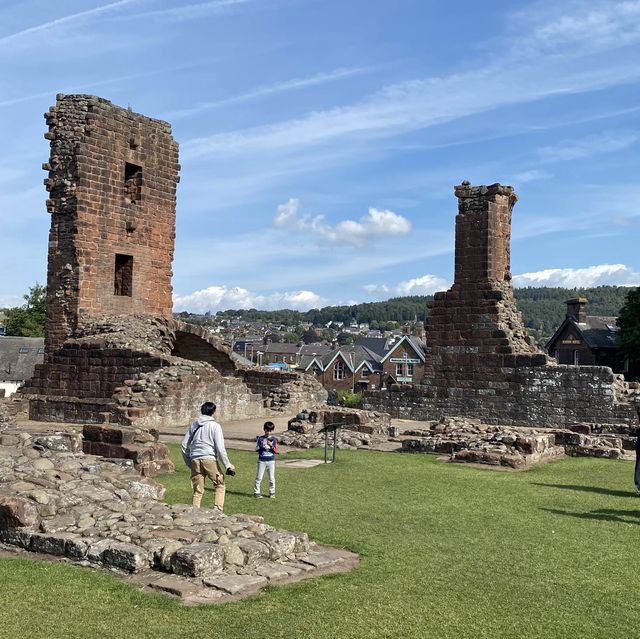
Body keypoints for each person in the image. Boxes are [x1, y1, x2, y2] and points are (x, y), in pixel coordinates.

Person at [181, 401, 235, 512]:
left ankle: (194, 512)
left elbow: (184, 444)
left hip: (195, 458)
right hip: (209, 458)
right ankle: (217, 510)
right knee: (219, 484)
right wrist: (227, 465)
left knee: (198, 490)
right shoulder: (215, 426)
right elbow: (220, 448)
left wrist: (188, 461)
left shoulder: (194, 424)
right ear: (213, 412)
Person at [254, 421, 278, 499]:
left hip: (271, 461)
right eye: (267, 430)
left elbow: (276, 450)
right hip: (262, 460)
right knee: (259, 477)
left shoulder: (274, 439)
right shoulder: (260, 438)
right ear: (264, 429)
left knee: (271, 478)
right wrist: (261, 446)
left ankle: (272, 492)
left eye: (270, 431)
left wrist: (271, 445)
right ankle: (257, 492)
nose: (268, 432)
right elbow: (256, 449)